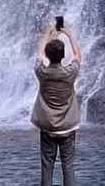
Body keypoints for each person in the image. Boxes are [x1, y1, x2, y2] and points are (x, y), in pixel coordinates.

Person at [31, 20, 82, 186]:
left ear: (47, 55)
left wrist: (48, 32)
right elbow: (77, 56)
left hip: (47, 126)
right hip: (67, 126)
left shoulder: (41, 72)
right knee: (68, 166)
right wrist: (69, 33)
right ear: (62, 55)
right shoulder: (70, 72)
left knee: (47, 166)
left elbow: (39, 54)